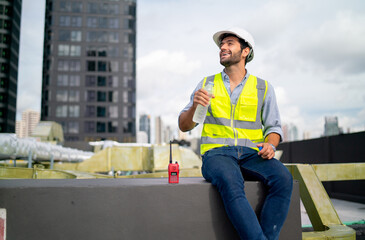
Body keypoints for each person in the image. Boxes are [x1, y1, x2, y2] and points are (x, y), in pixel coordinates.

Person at [178, 28, 293, 240]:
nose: (223, 47)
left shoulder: (263, 88)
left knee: (284, 179)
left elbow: (274, 128)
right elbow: (185, 126)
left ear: (245, 51)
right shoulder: (206, 84)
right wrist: (195, 106)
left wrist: (271, 145)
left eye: (229, 43)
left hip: (252, 154)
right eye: (222, 45)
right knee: (231, 181)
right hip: (217, 155)